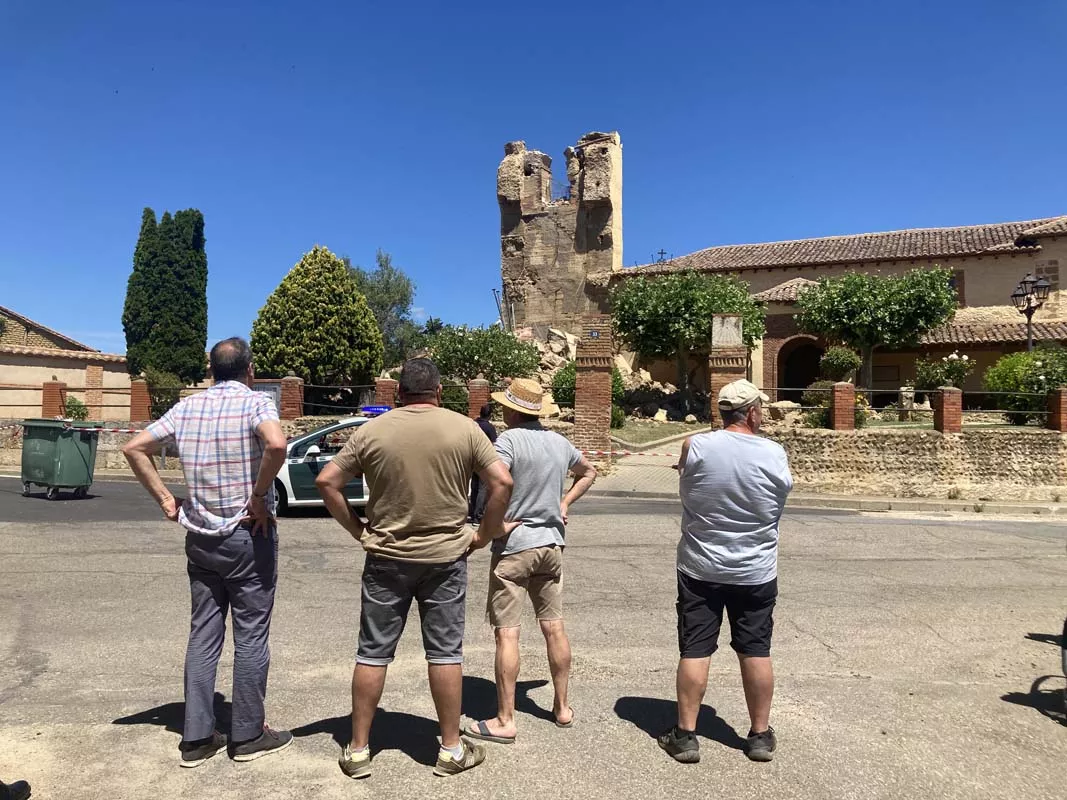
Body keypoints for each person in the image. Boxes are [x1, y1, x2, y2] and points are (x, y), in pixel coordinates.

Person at [315, 358, 514, 780]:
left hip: (386, 556)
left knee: (372, 652)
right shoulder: (465, 428)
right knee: (445, 654)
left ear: (399, 394)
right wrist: (484, 533)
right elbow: (502, 483)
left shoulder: (373, 431)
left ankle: (357, 750)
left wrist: (358, 530)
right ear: (439, 392)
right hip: (445, 557)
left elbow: (327, 482)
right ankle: (451, 749)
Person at [123, 338, 292, 767]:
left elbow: (134, 447)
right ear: (250, 370)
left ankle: (196, 738)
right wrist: (258, 495)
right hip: (246, 535)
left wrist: (165, 499)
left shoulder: (187, 408)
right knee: (251, 635)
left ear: (212, 370)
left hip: (199, 537)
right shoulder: (256, 405)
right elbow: (275, 444)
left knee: (203, 633)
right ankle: (248, 733)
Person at [658, 379, 793, 765]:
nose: (762, 415)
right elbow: (779, 497)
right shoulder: (774, 453)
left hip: (701, 567)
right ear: (751, 412)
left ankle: (685, 735)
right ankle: (759, 735)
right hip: (755, 570)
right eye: (760, 409)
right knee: (756, 649)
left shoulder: (696, 445)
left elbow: (688, 476)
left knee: (695, 648)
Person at [463, 378, 597, 744]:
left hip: (515, 545)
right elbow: (589, 472)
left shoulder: (507, 441)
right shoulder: (559, 442)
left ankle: (505, 719)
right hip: (552, 545)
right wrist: (564, 503)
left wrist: (494, 525)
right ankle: (563, 707)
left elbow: (497, 481)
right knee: (554, 626)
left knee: (508, 632)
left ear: (511, 410)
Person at [469, 404, 498, 522]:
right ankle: (478, 515)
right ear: (490, 415)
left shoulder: (473, 424)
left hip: (472, 458)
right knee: (483, 488)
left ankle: (472, 511)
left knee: (474, 486)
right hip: (484, 460)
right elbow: (494, 444)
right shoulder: (489, 428)